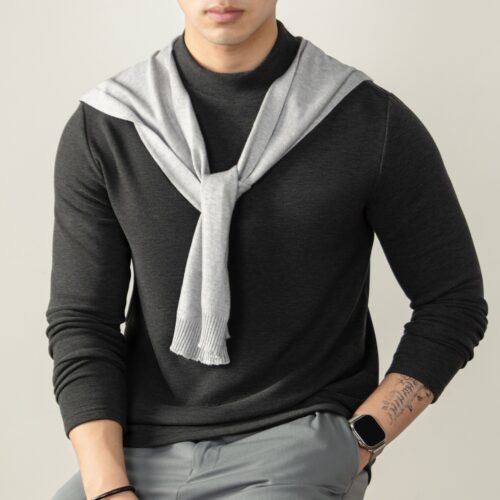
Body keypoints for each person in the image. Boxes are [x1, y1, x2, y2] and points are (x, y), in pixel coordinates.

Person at [45, 1, 489, 499]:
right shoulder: (107, 125)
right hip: (137, 450)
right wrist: (109, 489)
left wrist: (360, 441)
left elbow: (452, 302)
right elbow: (83, 322)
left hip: (296, 445)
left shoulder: (366, 119)